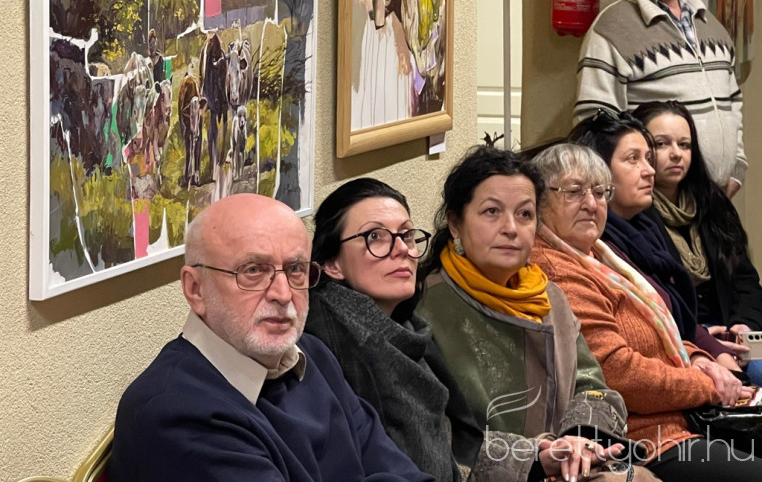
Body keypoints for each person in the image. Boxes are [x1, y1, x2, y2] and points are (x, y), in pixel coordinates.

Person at [110, 193, 436, 482]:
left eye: (295, 269)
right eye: (253, 270)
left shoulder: (311, 354)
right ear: (195, 289)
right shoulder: (177, 414)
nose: (283, 293)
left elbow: (400, 469)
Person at [531, 141, 760, 479]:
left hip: (682, 418)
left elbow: (663, 330)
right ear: (539, 200)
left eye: (600, 192)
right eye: (574, 192)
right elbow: (620, 375)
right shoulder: (556, 269)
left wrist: (700, 358)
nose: (591, 203)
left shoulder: (601, 254)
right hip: (640, 439)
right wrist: (706, 384)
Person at [417, 144, 637, 482]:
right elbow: (432, 434)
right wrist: (534, 458)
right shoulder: (426, 309)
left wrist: (579, 439)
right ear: (456, 223)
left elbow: (590, 384)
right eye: (492, 212)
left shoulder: (547, 296)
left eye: (524, 214)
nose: (511, 228)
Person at [306, 178, 482, 481]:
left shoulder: (407, 328)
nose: (402, 249)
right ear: (332, 263)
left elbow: (454, 441)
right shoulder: (330, 345)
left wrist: (535, 455)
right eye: (375, 236)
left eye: (407, 235)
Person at [573, 0, 744, 196]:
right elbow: (594, 130)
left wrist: (736, 170)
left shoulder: (711, 25)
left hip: (717, 199)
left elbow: (734, 103)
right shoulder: (609, 31)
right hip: (653, 203)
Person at [568, 109, 741, 369]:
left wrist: (718, 354)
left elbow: (677, 314)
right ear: (598, 171)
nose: (649, 170)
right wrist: (705, 368)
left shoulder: (644, 228)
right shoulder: (595, 243)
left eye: (648, 159)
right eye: (633, 159)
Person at [633, 100, 762, 383]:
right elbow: (652, 299)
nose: (676, 154)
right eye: (662, 144)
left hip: (732, 330)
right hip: (684, 336)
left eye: (684, 145)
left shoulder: (713, 202)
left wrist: (744, 325)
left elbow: (745, 280)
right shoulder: (634, 211)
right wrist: (704, 338)